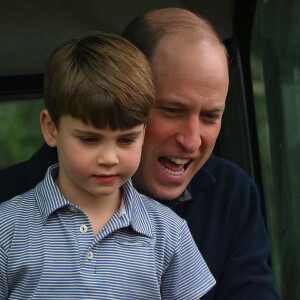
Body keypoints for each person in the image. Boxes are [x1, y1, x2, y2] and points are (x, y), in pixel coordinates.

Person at [0, 8, 280, 300]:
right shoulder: (9, 209)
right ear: (124, 94)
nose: (191, 140)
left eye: (211, 116)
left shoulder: (227, 196)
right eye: (172, 110)